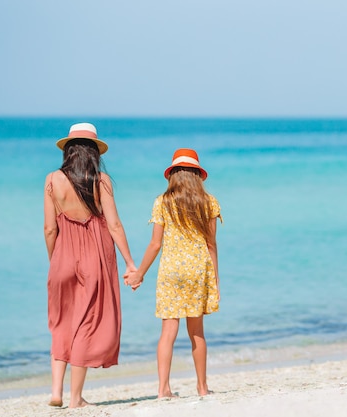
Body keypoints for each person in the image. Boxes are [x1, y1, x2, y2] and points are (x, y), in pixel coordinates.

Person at [43, 122, 139, 408]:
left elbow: (49, 229)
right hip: (94, 259)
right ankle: (75, 399)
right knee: (85, 323)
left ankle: (56, 391)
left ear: (68, 151)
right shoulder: (101, 181)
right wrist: (130, 262)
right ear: (94, 152)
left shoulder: (51, 180)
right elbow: (114, 224)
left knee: (60, 322)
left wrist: (55, 260)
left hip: (62, 256)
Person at [124, 148, 221, 398]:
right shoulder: (209, 202)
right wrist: (216, 280)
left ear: (173, 174)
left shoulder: (162, 202)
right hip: (198, 271)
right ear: (198, 174)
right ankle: (201, 387)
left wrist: (139, 274)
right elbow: (211, 244)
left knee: (168, 333)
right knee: (197, 332)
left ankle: (163, 389)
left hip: (171, 272)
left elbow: (155, 244)